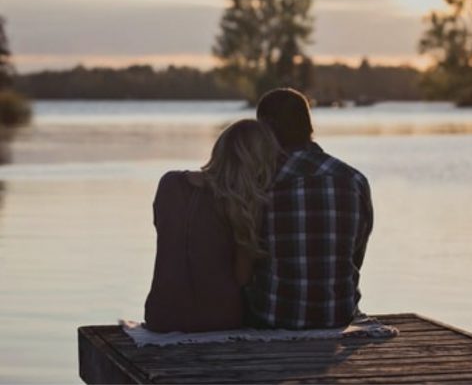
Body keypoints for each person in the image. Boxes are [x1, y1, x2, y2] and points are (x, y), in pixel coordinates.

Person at [246, 88, 374, 329]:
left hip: (271, 317)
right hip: (337, 316)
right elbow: (355, 254)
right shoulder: (354, 180)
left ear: (266, 127)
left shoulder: (257, 182)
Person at [144, 119, 280, 333]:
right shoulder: (243, 202)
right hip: (219, 320)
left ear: (220, 148)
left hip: (161, 316)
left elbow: (167, 236)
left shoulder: (169, 183)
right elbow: (242, 278)